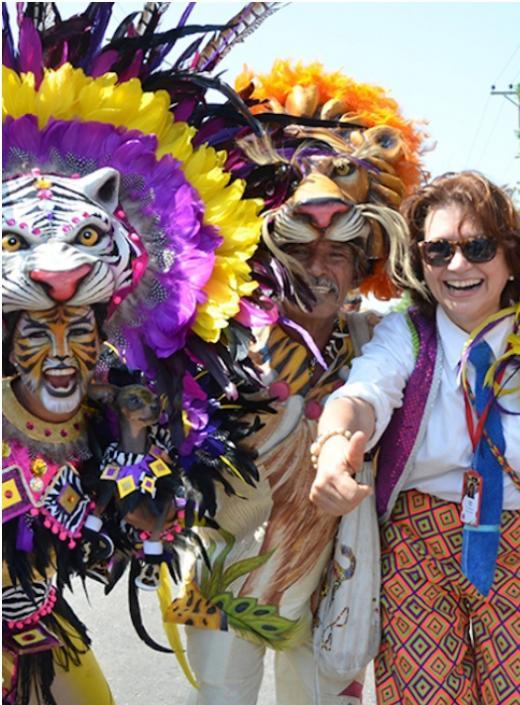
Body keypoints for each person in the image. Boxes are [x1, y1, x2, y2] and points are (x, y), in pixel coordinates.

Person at [2, 5, 273, 702]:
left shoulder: (103, 408)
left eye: (78, 325)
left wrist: (138, 450)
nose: (58, 340)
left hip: (34, 642)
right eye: (34, 325)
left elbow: (142, 528)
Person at [175, 62, 425, 705]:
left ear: (362, 265)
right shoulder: (218, 340)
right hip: (225, 577)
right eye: (300, 254)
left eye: (337, 254)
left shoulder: (378, 343)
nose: (318, 270)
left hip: (333, 584)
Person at [311, 171, 520, 704]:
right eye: (439, 250)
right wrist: (332, 448)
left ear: (510, 256)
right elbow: (362, 396)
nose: (458, 266)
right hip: (418, 543)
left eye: (478, 247)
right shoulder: (406, 335)